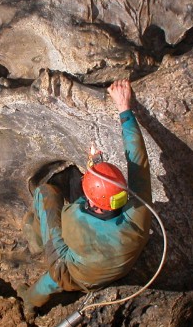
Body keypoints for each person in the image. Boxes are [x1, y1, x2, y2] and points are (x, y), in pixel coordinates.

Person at [20, 79, 152, 312]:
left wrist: (124, 105)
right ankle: (35, 299)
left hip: (69, 272)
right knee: (62, 273)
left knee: (46, 194)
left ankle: (33, 259)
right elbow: (138, 161)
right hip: (107, 272)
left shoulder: (74, 219)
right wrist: (125, 110)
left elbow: (64, 232)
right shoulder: (138, 217)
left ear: (89, 199)